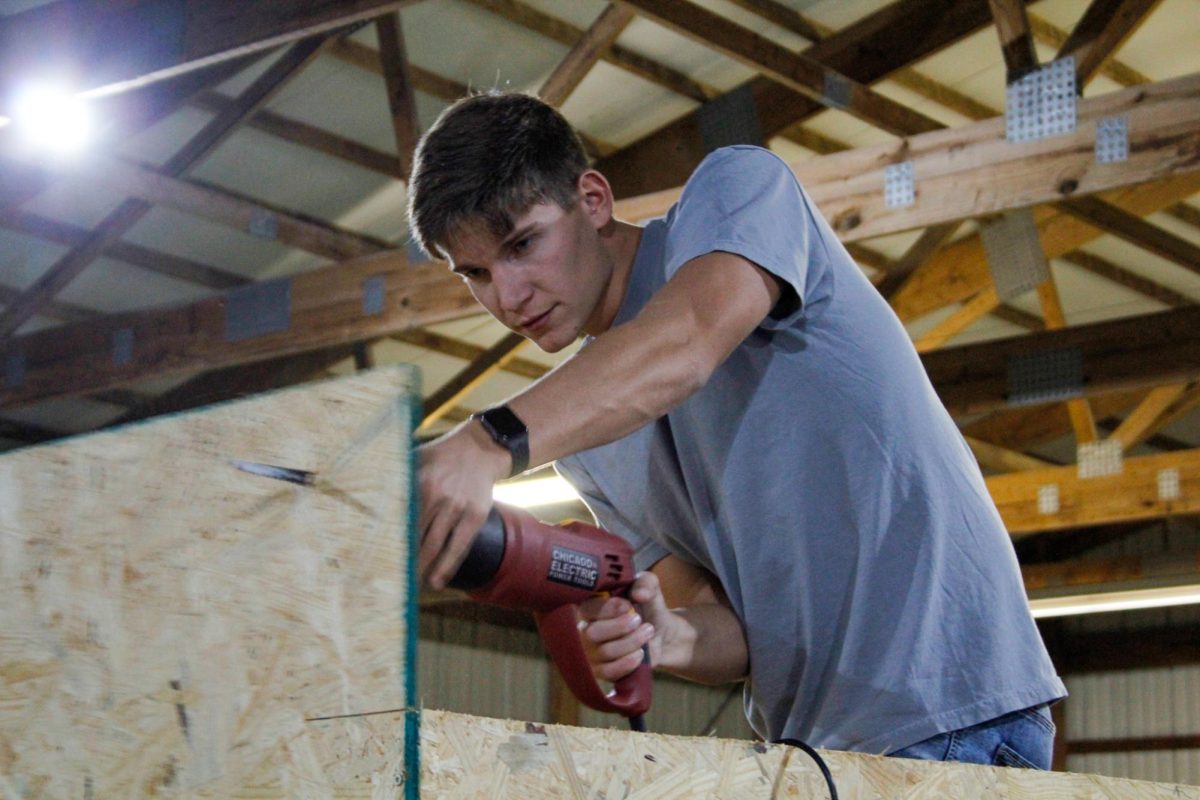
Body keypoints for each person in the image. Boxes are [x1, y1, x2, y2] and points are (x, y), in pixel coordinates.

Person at [409, 91, 1065, 765]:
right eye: (477, 274)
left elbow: (686, 341)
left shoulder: (738, 191)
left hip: (944, 705)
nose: (507, 297)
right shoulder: (586, 440)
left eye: (523, 244)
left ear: (594, 199)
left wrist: (484, 443)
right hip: (809, 752)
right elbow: (734, 629)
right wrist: (664, 638)